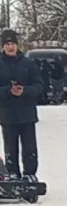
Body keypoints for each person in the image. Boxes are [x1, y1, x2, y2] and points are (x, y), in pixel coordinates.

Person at [0, 29, 42, 180]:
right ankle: (12, 174)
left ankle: (30, 174)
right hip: (7, 115)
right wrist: (8, 91)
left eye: (13, 44)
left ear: (17, 45)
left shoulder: (28, 63)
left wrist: (24, 91)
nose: (10, 47)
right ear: (3, 46)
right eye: (7, 44)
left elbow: (39, 86)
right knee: (10, 148)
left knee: (29, 148)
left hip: (27, 114)